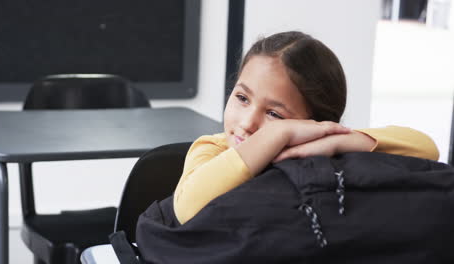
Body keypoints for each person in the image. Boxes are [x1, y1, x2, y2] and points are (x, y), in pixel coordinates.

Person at [173, 31, 439, 225]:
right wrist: (278, 132)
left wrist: (337, 140)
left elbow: (427, 150)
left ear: (313, 124)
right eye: (242, 98)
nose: (247, 123)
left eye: (274, 114)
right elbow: (188, 208)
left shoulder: (327, 153)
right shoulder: (213, 148)